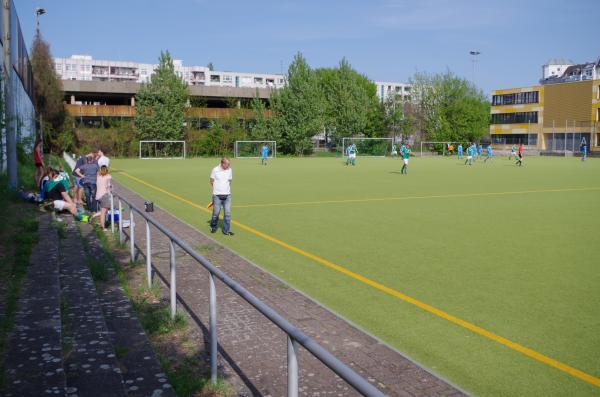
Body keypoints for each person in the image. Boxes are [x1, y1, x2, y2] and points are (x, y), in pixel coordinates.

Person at [209, 157, 234, 236]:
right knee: (216, 213)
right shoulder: (215, 170)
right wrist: (217, 189)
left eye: (229, 164)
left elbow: (229, 181)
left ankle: (226, 230)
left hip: (227, 195)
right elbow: (211, 181)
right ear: (222, 163)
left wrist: (225, 189)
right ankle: (213, 226)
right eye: (227, 164)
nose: (229, 165)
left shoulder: (230, 170)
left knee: (227, 214)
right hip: (217, 195)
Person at [91, 165, 112, 230]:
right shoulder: (108, 176)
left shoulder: (98, 176)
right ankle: (103, 227)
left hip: (98, 196)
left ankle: (93, 216)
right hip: (104, 195)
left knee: (104, 211)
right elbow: (108, 187)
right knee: (103, 212)